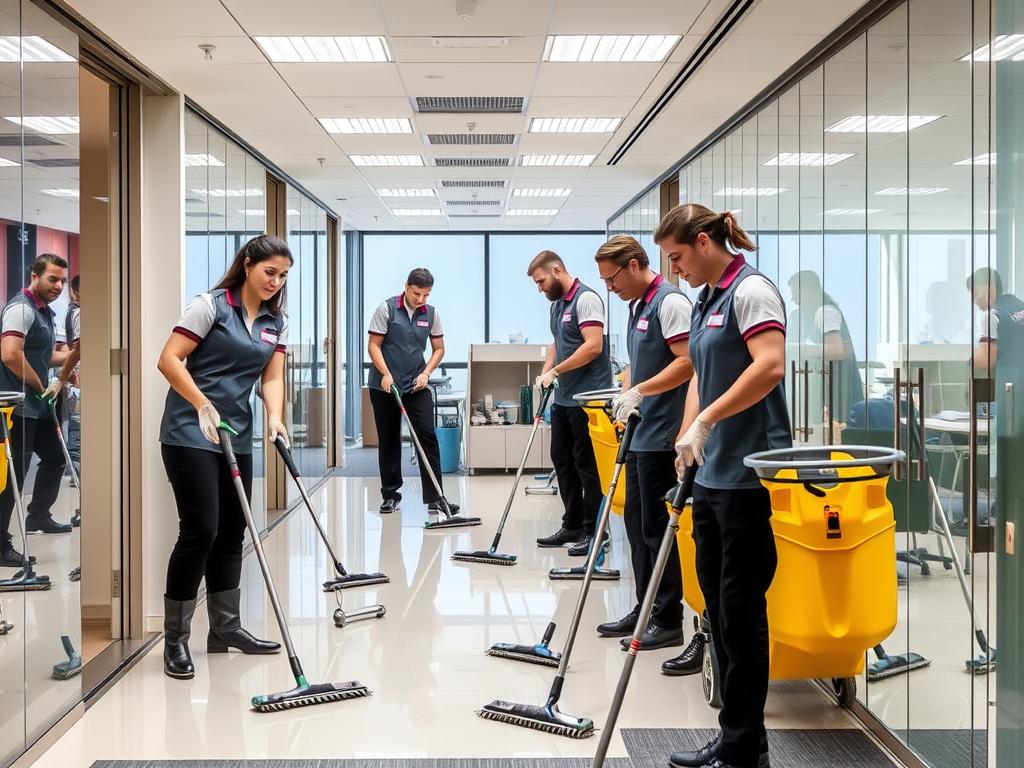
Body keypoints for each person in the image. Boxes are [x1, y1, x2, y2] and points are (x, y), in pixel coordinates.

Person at [658, 203, 789, 768]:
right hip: (710, 474)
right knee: (717, 608)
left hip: (747, 477)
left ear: (705, 242)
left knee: (740, 613)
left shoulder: (751, 291)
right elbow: (699, 374)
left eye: (678, 256)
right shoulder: (706, 298)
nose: (675, 269)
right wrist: (688, 432)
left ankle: (742, 747)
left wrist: (708, 420)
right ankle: (739, 738)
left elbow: (770, 365)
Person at [157, 234, 292, 680]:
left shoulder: (276, 321)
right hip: (190, 433)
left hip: (237, 435)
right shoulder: (210, 306)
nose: (275, 282)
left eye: (283, 276)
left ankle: (225, 629)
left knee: (233, 531)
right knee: (201, 529)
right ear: (248, 264)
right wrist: (202, 404)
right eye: (270, 272)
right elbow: (169, 359)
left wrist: (275, 416)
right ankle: (175, 640)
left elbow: (272, 377)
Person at [594, 235, 698, 658]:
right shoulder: (637, 305)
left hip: (664, 435)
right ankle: (645, 607)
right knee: (637, 529)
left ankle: (668, 619)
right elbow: (639, 364)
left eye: (612, 279)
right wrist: (625, 390)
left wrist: (641, 390)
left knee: (656, 530)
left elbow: (687, 362)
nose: (609, 288)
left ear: (634, 266)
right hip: (641, 431)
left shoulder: (669, 303)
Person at [528, 250, 612, 554]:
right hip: (564, 398)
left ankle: (596, 532)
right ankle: (573, 524)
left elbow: (593, 346)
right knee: (562, 460)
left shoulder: (585, 299)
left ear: (556, 270)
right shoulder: (557, 305)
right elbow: (558, 340)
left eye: (541, 282)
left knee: (586, 465)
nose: (540, 289)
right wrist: (546, 370)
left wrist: (557, 371)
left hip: (588, 399)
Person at [0, 253, 72, 566]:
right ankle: (0, 545)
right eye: (52, 279)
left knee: (55, 456)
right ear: (34, 276)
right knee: (11, 476)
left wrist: (73, 356)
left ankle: (39, 515)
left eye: (62, 281)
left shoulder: (44, 311)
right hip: (17, 407)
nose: (58, 286)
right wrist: (39, 384)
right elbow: (10, 355)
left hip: (37, 405)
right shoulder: (21, 308)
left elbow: (41, 355)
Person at [367, 268, 454, 516]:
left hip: (417, 384)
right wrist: (385, 373)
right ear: (406, 286)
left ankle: (436, 497)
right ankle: (390, 495)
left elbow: (439, 348)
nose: (420, 299)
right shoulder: (386, 309)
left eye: (426, 295)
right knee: (389, 439)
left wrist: (426, 372)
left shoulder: (432, 314)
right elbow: (373, 346)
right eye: (416, 293)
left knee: (427, 436)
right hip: (385, 385)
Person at [969, 267, 1021, 533]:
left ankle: (999, 514)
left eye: (975, 295)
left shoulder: (992, 315)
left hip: (1010, 395)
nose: (976, 302)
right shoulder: (1019, 307)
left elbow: (986, 359)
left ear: (987, 288)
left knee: (1002, 451)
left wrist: (967, 361)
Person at [787, 270, 862, 427]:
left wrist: (798, 349)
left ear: (807, 290)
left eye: (795, 293)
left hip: (838, 390)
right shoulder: (806, 315)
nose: (793, 299)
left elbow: (837, 350)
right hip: (826, 387)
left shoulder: (826, 312)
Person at [52, 274, 81, 480]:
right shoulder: (77, 313)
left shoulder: (73, 313)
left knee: (77, 427)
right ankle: (77, 474)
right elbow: (72, 348)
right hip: (77, 379)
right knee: (77, 428)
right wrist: (68, 374)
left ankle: (76, 472)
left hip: (75, 377)